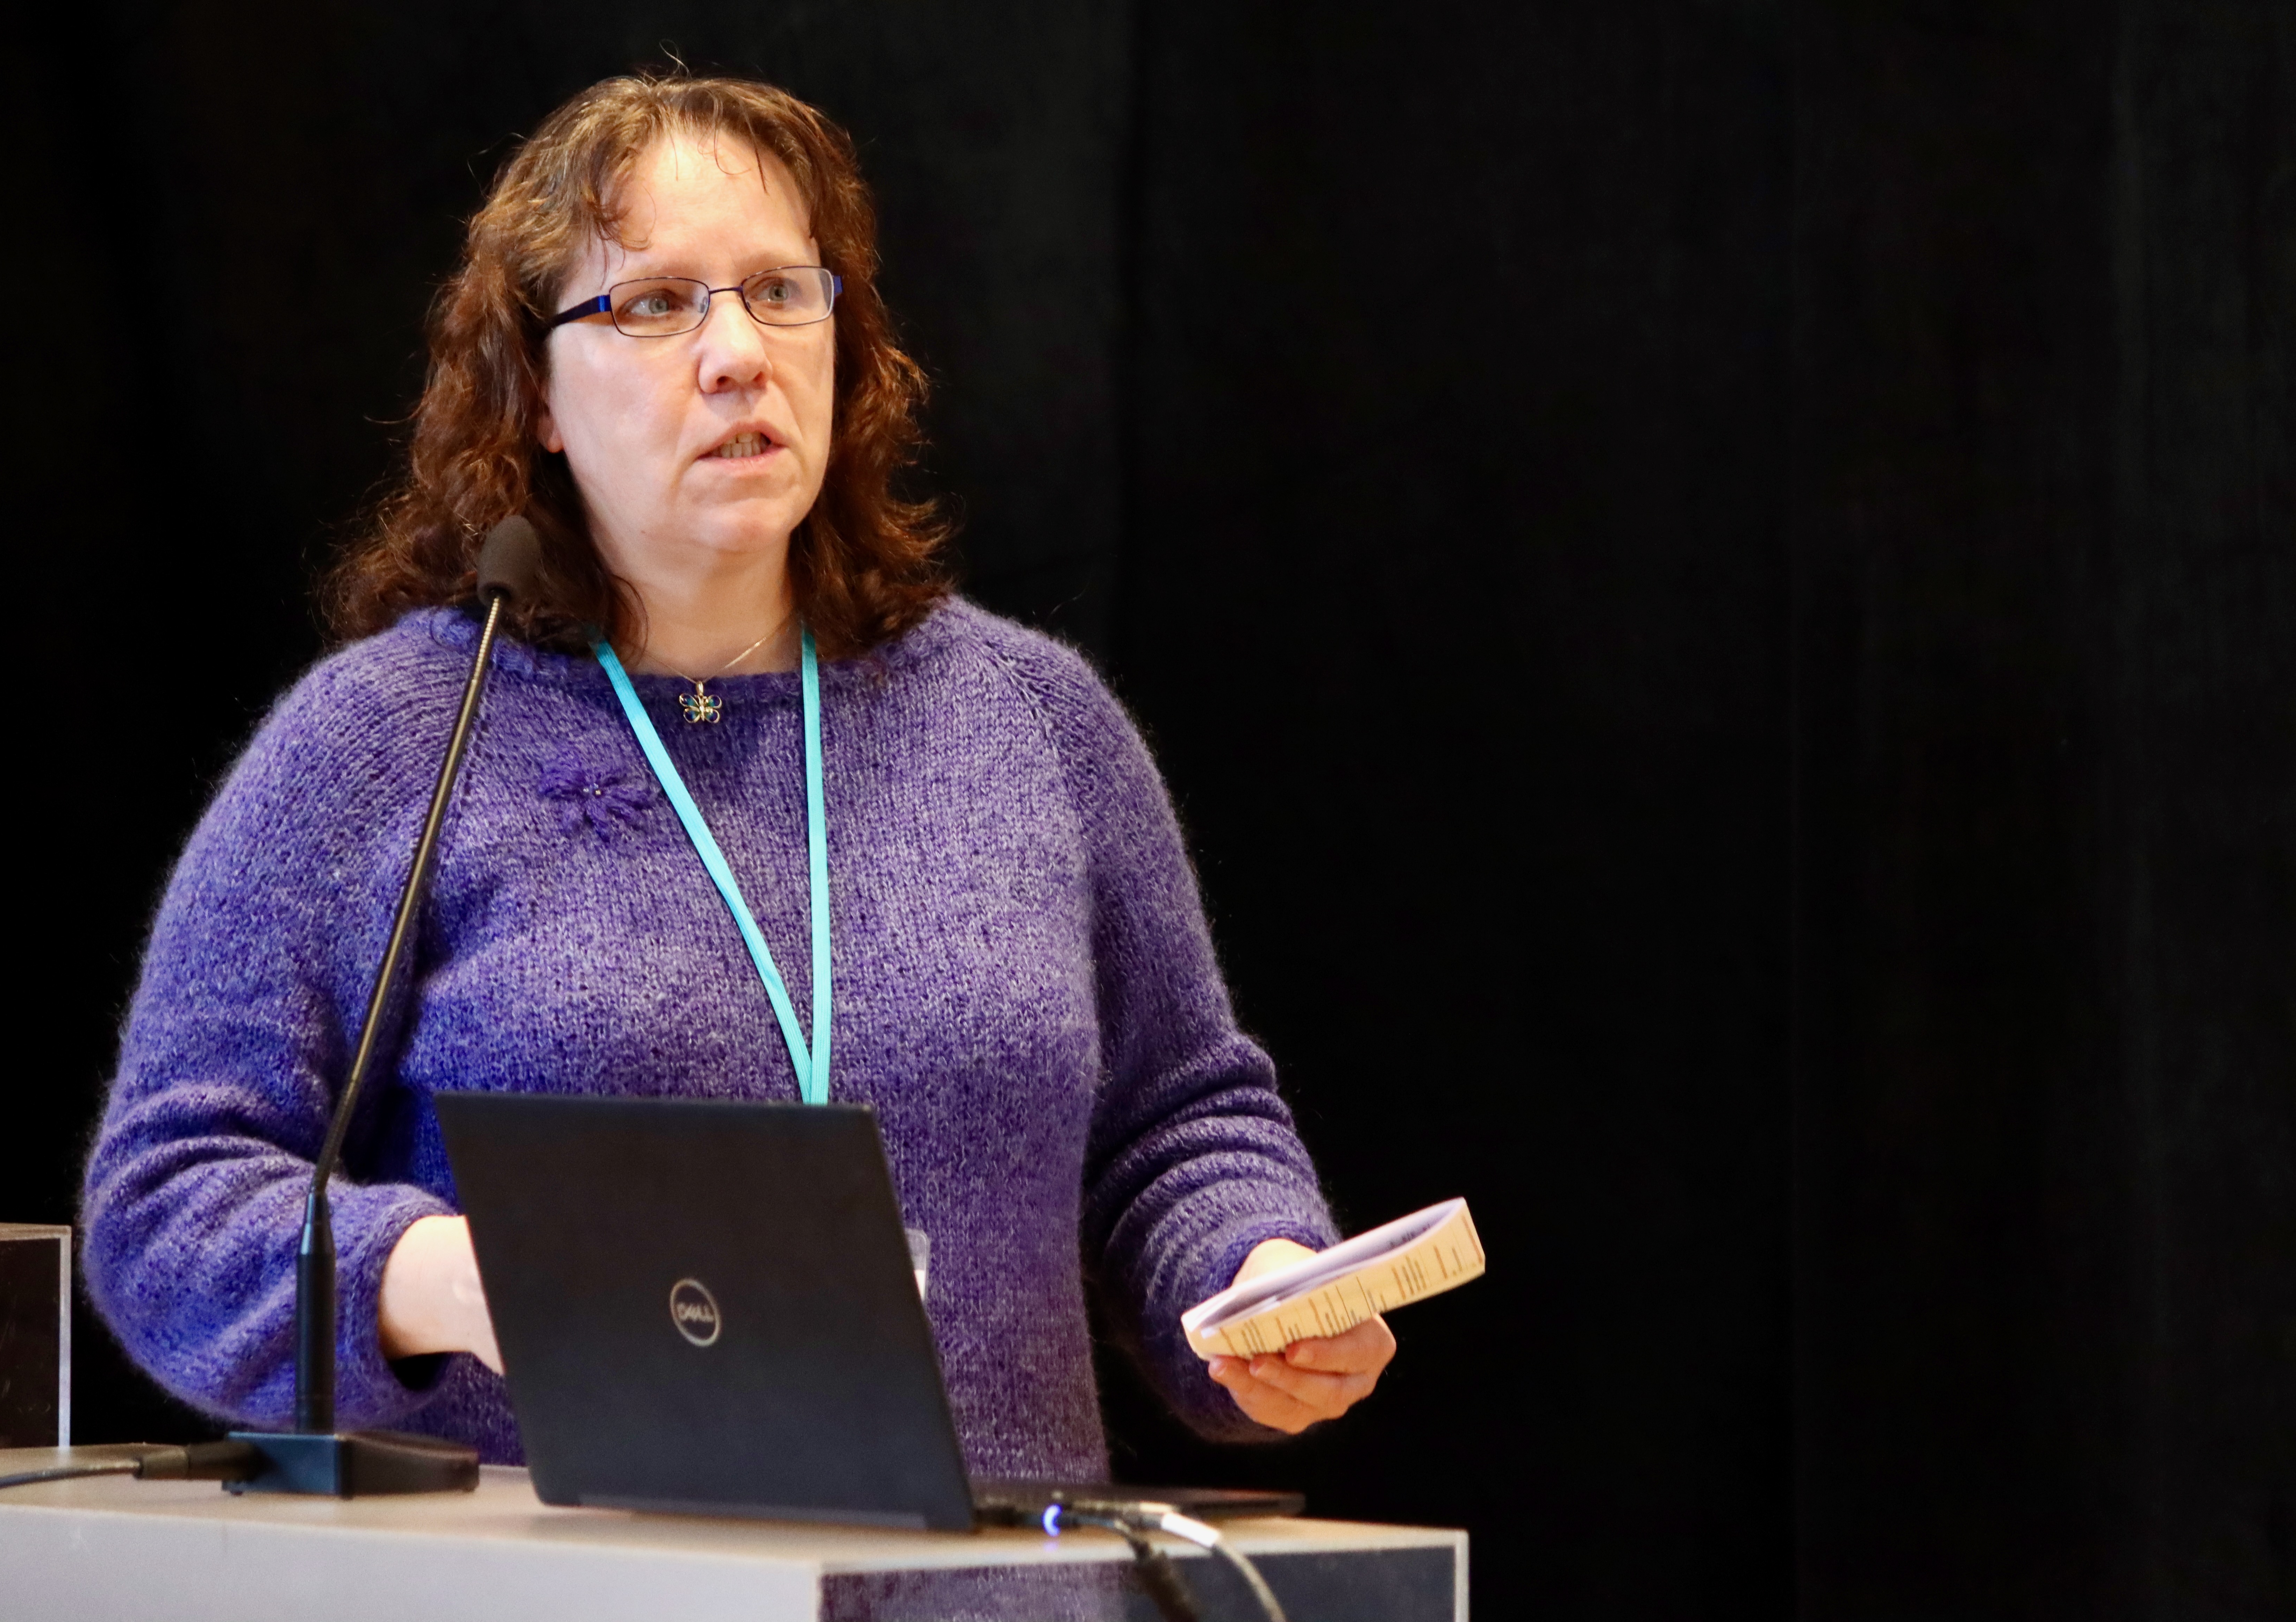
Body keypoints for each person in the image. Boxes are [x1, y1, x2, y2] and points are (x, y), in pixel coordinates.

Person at [81, 73, 1394, 1478]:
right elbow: (166, 1208)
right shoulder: (393, 739)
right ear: (534, 394)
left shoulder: (1036, 723)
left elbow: (1176, 1126)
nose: (737, 354)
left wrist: (1260, 1277)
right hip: (565, 1573)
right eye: (655, 303)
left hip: (999, 1575)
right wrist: (455, 1275)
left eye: (780, 291)